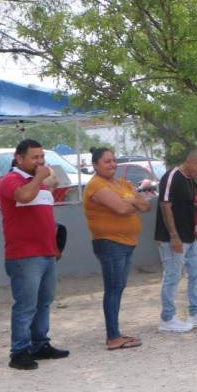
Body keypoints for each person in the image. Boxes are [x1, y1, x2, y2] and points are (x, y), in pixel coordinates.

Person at [2, 140, 69, 370]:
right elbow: (23, 197)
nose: (40, 161)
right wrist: (40, 177)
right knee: (25, 305)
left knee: (44, 302)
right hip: (24, 256)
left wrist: (54, 246)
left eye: (41, 157)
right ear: (19, 159)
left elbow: (45, 218)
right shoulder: (11, 180)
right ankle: (19, 351)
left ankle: (40, 344)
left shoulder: (38, 184)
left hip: (46, 253)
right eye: (34, 157)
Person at [83, 148, 151, 351]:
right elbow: (121, 209)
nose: (112, 164)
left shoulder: (122, 183)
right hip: (109, 242)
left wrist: (131, 201)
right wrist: (132, 202)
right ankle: (112, 337)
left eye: (113, 161)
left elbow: (146, 206)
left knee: (118, 287)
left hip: (127, 241)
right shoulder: (96, 185)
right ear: (95, 164)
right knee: (113, 289)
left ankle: (116, 332)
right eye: (106, 161)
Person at [155, 149, 197, 333]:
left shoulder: (191, 180)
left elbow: (186, 205)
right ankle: (167, 318)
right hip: (172, 238)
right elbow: (165, 205)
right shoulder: (172, 176)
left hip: (189, 237)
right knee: (173, 277)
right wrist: (174, 236)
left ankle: (195, 312)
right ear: (189, 162)